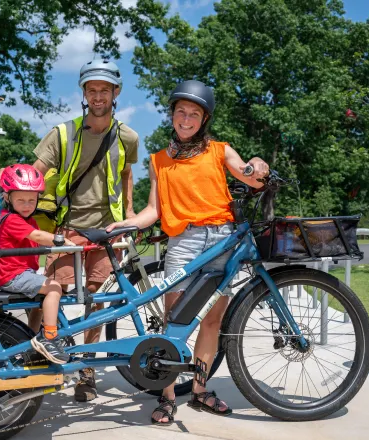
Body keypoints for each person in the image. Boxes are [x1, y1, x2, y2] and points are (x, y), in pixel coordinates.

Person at [106, 80, 269, 425]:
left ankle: (199, 390)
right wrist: (128, 223)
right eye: (180, 111)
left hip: (222, 239)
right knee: (174, 322)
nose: (186, 118)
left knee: (212, 320)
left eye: (194, 113)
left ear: (204, 119)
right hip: (184, 241)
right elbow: (154, 210)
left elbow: (251, 176)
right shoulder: (159, 161)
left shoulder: (220, 150)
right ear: (172, 115)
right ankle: (167, 397)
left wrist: (257, 164)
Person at [0, 59, 139, 401]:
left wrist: (129, 213)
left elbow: (126, 174)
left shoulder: (128, 136)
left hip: (107, 230)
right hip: (68, 227)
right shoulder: (63, 134)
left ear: (116, 92)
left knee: (97, 300)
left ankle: (86, 372)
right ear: (84, 93)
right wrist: (9, 172)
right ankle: (30, 356)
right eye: (91, 90)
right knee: (45, 294)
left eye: (104, 90)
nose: (98, 96)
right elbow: (34, 172)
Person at [0, 164, 77, 364]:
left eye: (32, 200)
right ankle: (49, 337)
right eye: (21, 200)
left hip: (23, 273)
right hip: (14, 276)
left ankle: (30, 339)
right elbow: (38, 237)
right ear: (7, 197)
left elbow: (36, 241)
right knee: (54, 288)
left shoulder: (28, 220)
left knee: (42, 302)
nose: (27, 205)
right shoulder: (11, 219)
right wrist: (63, 241)